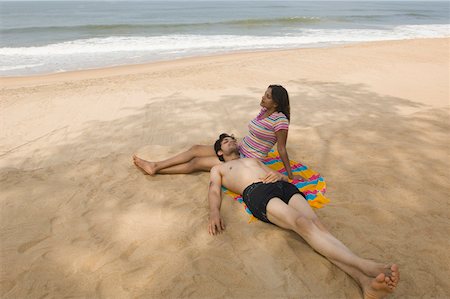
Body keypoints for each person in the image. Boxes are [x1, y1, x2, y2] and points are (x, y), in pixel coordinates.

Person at [207, 134, 400, 299]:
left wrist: (280, 176)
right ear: (219, 152)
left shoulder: (252, 160)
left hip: (281, 186)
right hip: (256, 191)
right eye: (225, 141)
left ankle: (364, 281)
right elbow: (214, 190)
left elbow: (276, 174)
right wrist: (214, 213)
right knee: (301, 223)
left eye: (232, 138)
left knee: (317, 225)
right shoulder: (219, 168)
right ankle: (364, 265)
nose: (231, 140)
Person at [132, 85, 301, 179]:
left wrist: (290, 175)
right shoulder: (264, 112)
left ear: (276, 103)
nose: (263, 97)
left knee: (196, 163)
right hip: (239, 148)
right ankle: (156, 165)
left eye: (268, 96)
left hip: (246, 160)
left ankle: (157, 169)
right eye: (265, 94)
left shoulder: (280, 121)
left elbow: (282, 149)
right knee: (195, 148)